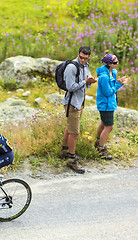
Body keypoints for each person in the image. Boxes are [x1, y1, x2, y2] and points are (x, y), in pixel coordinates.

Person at [59, 46, 97, 174]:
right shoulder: (71, 67)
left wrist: (90, 81)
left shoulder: (86, 66)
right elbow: (70, 87)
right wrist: (85, 81)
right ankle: (71, 159)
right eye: (81, 57)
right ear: (78, 54)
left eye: (86, 58)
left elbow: (88, 79)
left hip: (79, 102)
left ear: (89, 57)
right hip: (72, 104)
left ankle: (65, 150)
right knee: (74, 133)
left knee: (70, 128)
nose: (83, 60)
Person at [95, 54, 130, 159]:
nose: (117, 64)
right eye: (115, 63)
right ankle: (101, 149)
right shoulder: (104, 77)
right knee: (109, 127)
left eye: (117, 62)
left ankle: (97, 142)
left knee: (103, 123)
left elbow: (112, 87)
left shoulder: (113, 72)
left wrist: (119, 81)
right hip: (105, 105)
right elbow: (108, 92)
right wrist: (120, 84)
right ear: (109, 64)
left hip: (110, 103)